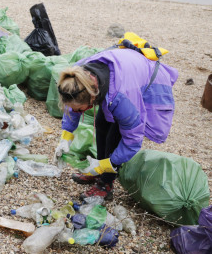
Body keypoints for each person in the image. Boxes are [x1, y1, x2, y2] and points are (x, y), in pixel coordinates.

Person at [54, 47, 178, 200]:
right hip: (121, 71)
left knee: (115, 135)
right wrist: (65, 137)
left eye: (81, 110)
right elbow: (72, 104)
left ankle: (106, 184)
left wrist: (105, 165)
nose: (78, 112)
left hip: (145, 81)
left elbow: (132, 141)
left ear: (92, 99)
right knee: (101, 123)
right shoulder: (78, 80)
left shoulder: (121, 97)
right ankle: (99, 173)